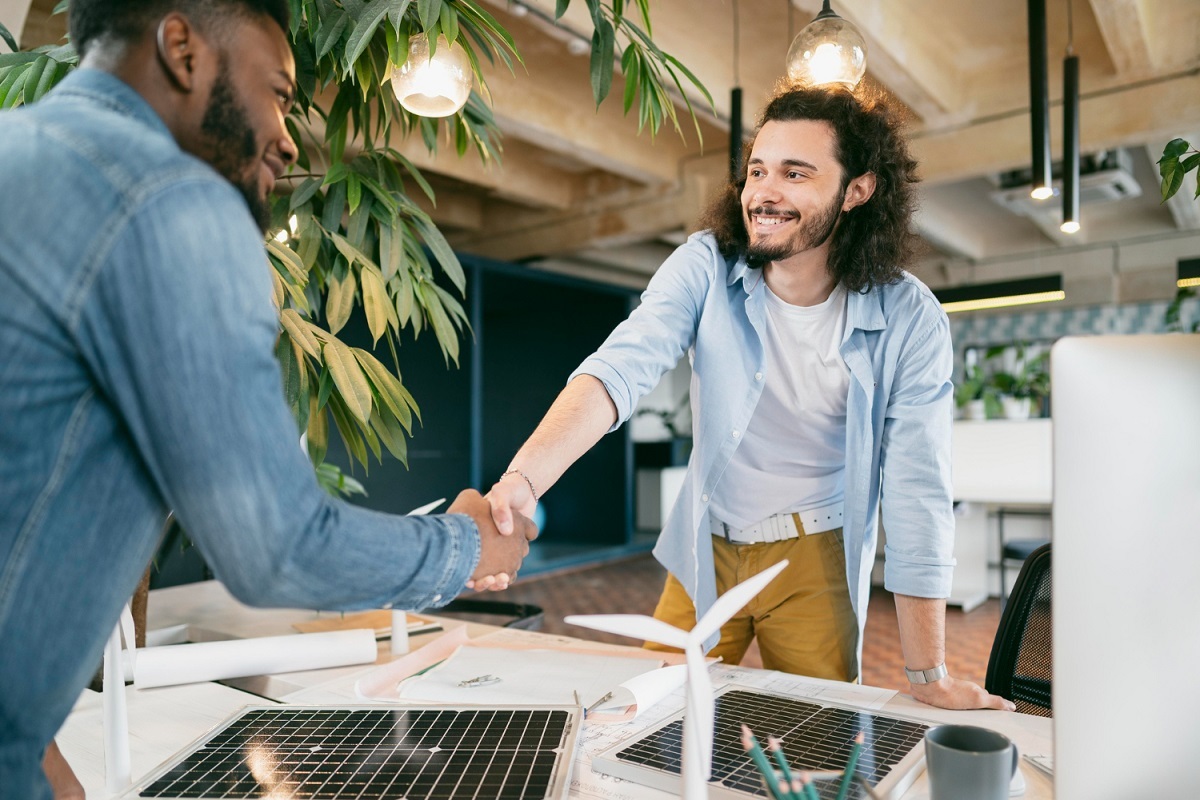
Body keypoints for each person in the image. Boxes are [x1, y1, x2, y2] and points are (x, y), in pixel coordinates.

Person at [0, 2, 536, 797]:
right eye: (279, 92)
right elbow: (274, 546)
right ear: (182, 47)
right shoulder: (171, 200)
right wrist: (462, 549)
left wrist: (29, 750)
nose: (287, 137)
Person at [487, 85, 1014, 712]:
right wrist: (525, 478)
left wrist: (928, 675)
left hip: (815, 554)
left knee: (819, 734)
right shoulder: (706, 265)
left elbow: (917, 490)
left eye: (796, 173)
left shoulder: (909, 317)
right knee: (651, 715)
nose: (764, 193)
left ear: (857, 190)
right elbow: (620, 368)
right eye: (757, 171)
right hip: (706, 543)